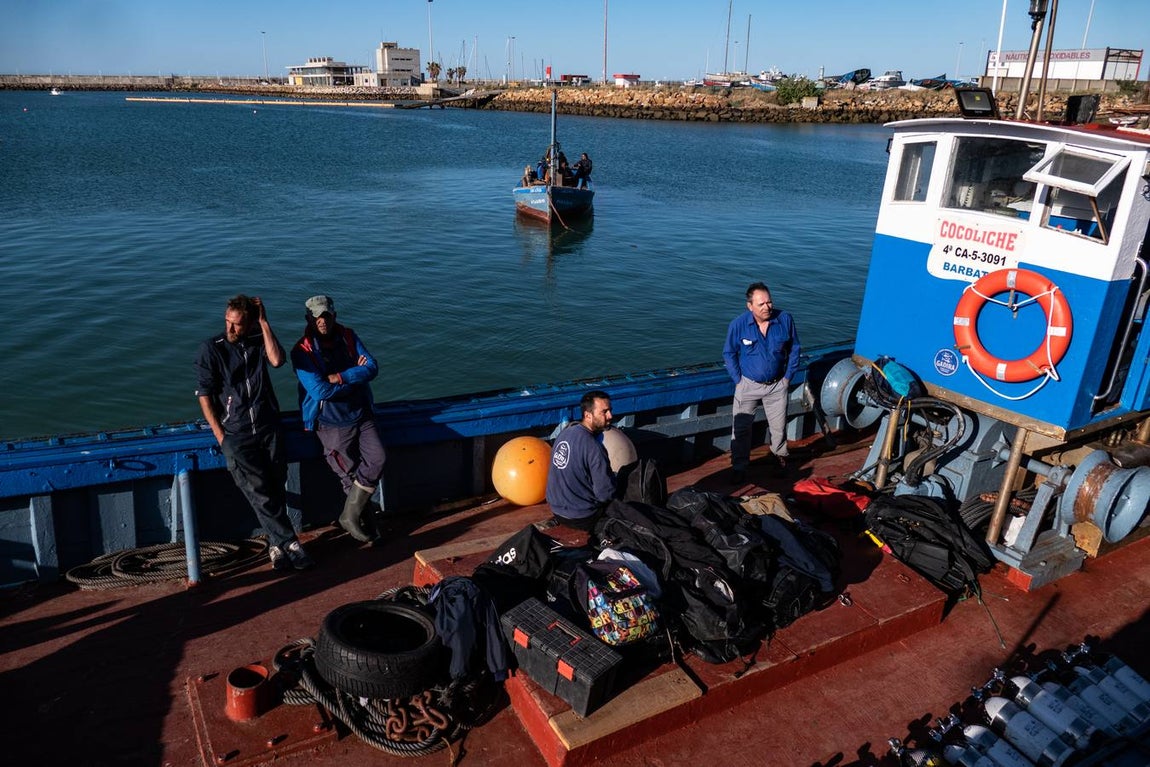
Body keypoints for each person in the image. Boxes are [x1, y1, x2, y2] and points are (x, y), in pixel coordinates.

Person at [194, 295, 314, 571]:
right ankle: (291, 543)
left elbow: (277, 360)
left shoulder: (258, 340)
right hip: (236, 433)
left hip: (268, 426)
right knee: (260, 492)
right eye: (228, 322)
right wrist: (221, 437)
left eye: (237, 324)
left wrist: (264, 322)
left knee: (275, 487)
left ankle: (275, 545)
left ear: (248, 324)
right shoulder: (212, 349)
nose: (231, 329)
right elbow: (205, 397)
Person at [290, 295, 385, 544]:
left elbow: (372, 367)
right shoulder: (302, 352)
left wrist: (339, 378)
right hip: (330, 422)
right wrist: (355, 379)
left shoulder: (349, 337)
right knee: (349, 475)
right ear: (308, 318)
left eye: (326, 316)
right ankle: (369, 526)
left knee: (378, 458)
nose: (322, 321)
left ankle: (349, 516)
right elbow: (319, 391)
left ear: (335, 315)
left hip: (361, 412)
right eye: (317, 317)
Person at [723, 282, 802, 482]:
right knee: (741, 429)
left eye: (769, 302)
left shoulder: (784, 319)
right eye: (761, 304)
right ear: (750, 306)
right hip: (748, 385)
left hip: (777, 385)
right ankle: (739, 467)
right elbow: (729, 353)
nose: (767, 307)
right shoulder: (738, 325)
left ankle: (780, 460)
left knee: (778, 427)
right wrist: (738, 380)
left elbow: (794, 348)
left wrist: (787, 377)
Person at [545, 390, 616, 530]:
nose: (610, 416)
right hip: (582, 517)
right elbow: (604, 494)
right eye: (604, 412)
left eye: (610, 411)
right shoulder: (594, 447)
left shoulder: (564, 434)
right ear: (588, 415)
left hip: (557, 510)